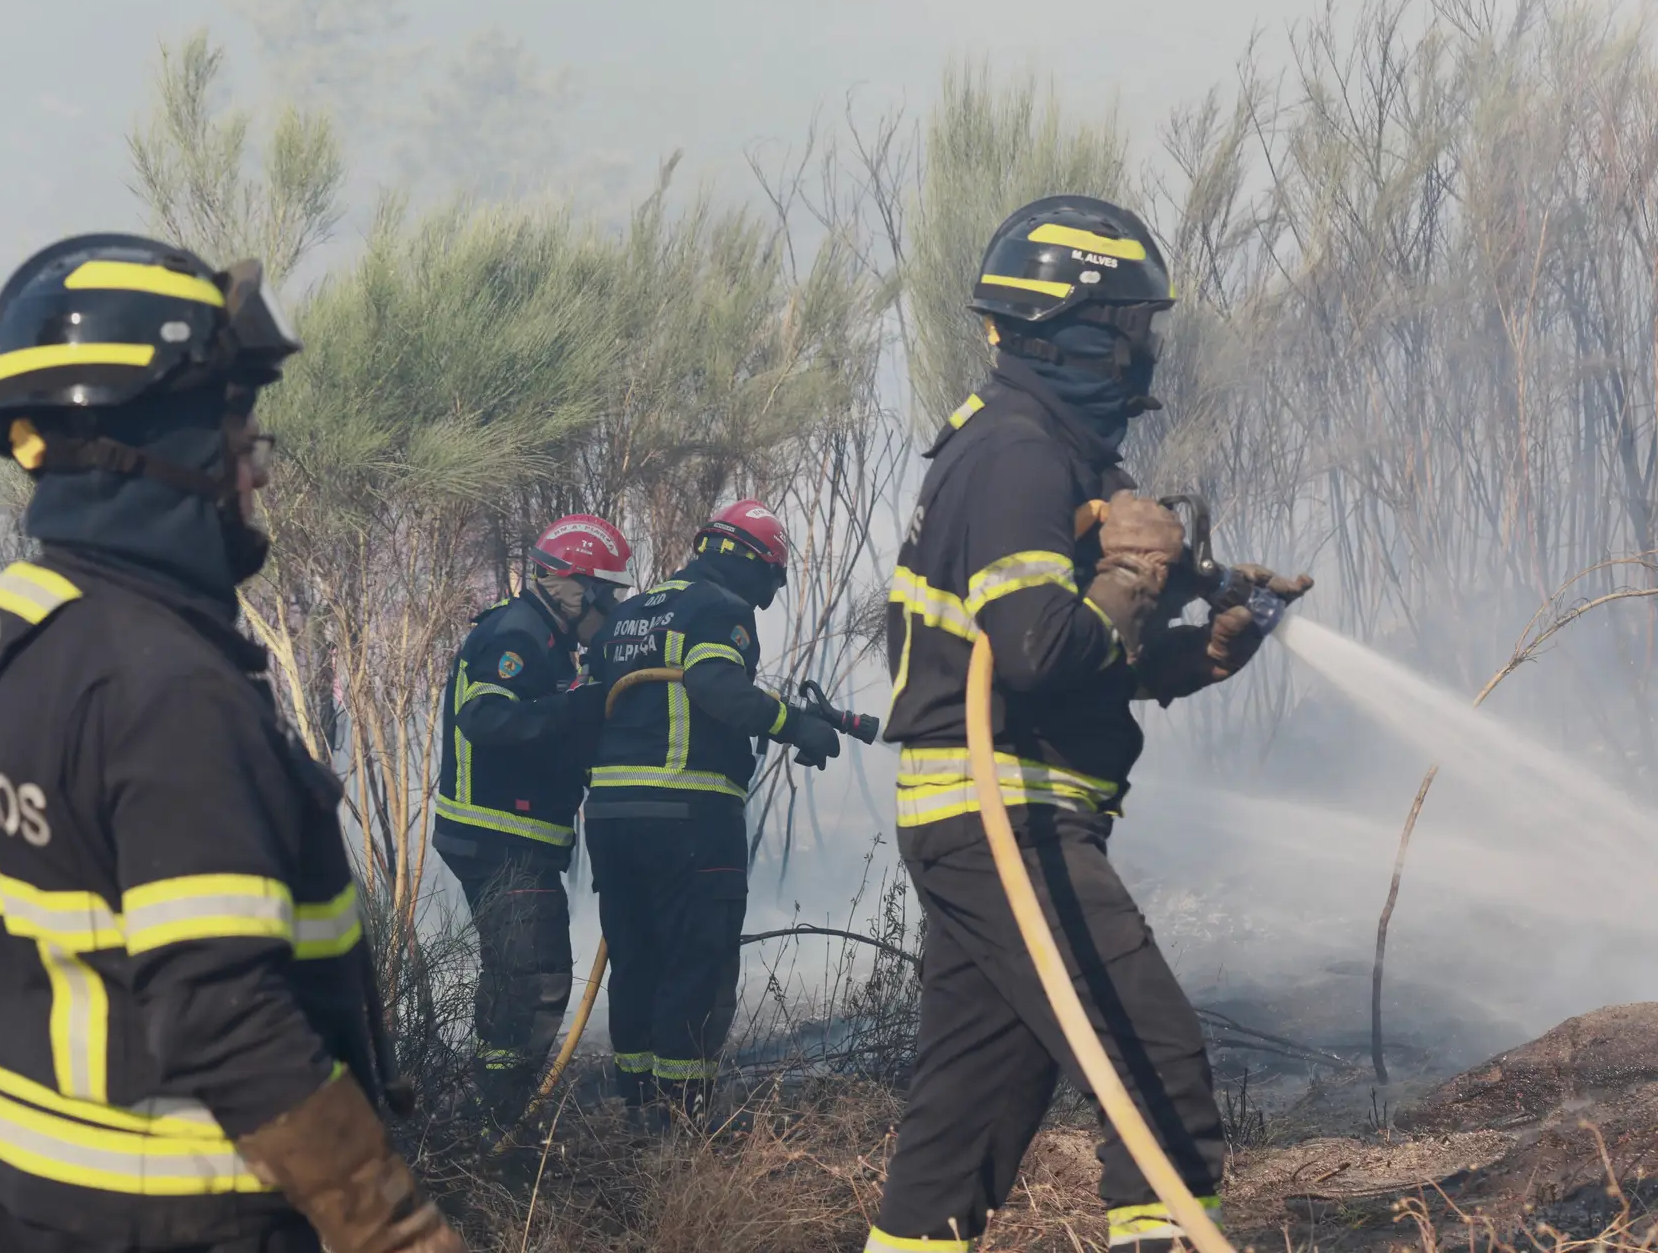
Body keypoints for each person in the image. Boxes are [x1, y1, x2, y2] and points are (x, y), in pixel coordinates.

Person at [0, 233, 462, 1253]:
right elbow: (220, 1010)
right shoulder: (168, 686)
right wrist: (390, 1225)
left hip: (33, 1186)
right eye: (232, 419)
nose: (253, 459)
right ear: (153, 439)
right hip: (194, 1209)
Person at [868, 197, 1312, 1253]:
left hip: (993, 813)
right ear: (1079, 325)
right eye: (1132, 329)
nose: (1142, 353)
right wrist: (1128, 574)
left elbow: (1071, 664)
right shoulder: (1019, 453)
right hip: (1003, 818)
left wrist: (1199, 651)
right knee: (1154, 1066)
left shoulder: (1046, 451)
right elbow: (1033, 646)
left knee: (963, 1124)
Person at [582, 500, 844, 1119]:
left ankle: (639, 1109)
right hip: (689, 817)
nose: (765, 600)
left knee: (636, 959)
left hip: (613, 820)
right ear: (753, 564)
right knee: (696, 962)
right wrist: (794, 727)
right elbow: (715, 686)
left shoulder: (628, 616)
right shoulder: (720, 609)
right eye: (771, 581)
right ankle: (680, 1119)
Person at [431, 513, 634, 1136]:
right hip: (502, 840)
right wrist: (577, 706)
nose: (607, 606)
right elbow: (486, 717)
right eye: (602, 592)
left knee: (512, 978)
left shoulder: (545, 639)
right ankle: (496, 1124)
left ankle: (490, 1117)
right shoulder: (518, 635)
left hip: (511, 840)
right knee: (536, 983)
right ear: (568, 583)